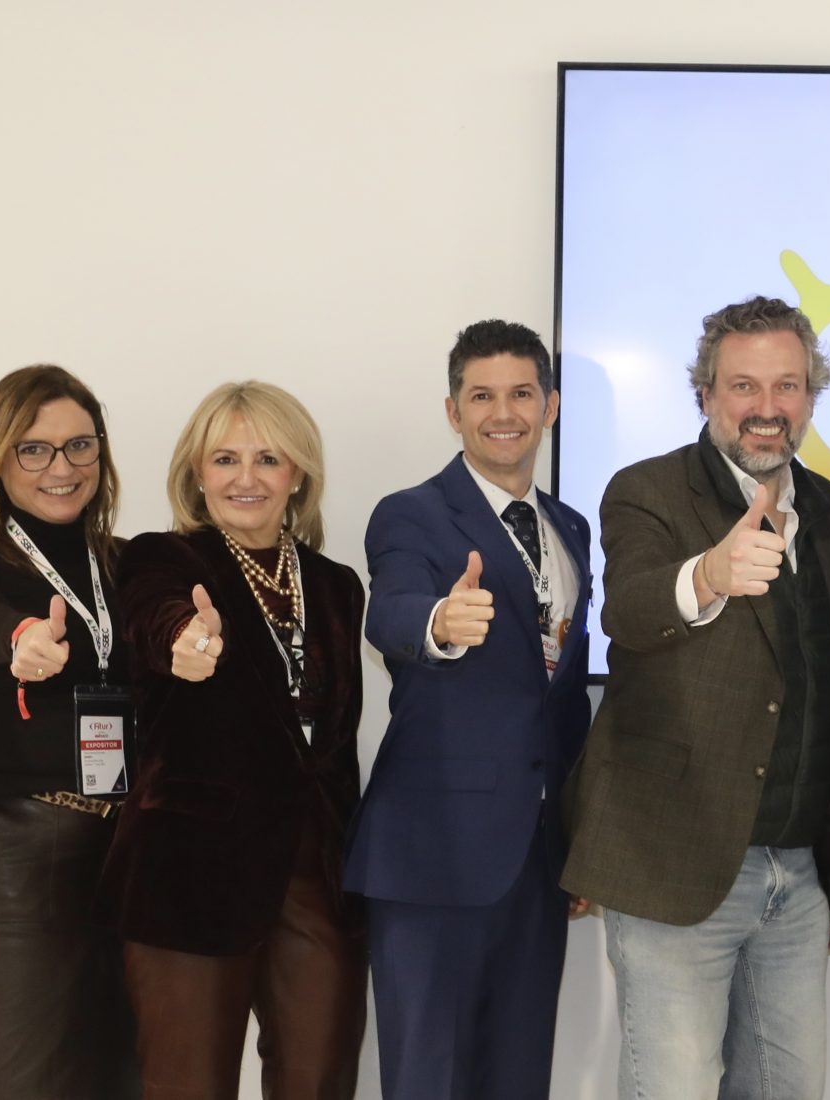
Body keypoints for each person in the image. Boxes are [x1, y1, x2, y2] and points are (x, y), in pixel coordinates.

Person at [559, 295, 830, 1100]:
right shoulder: (648, 490)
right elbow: (629, 611)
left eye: (787, 386)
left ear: (810, 396)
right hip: (671, 863)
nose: (767, 408)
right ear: (705, 394)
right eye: (743, 386)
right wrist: (707, 574)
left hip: (798, 873)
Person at [101, 381, 366, 1099]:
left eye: (267, 459)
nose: (246, 478)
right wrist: (184, 643)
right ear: (197, 473)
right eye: (225, 459)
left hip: (316, 877)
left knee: (321, 1081)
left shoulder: (336, 586)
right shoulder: (161, 560)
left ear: (297, 474)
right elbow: (157, 619)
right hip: (190, 878)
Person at [349, 320, 593, 1099]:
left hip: (538, 860)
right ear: (453, 412)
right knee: (430, 1080)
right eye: (481, 396)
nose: (503, 413)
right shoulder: (411, 514)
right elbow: (391, 610)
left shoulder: (571, 528)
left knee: (519, 1078)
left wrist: (580, 837)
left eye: (521, 393)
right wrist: (439, 624)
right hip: (434, 856)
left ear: (550, 406)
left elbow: (562, 702)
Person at [0, 364, 139, 1099]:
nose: (62, 467)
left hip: (124, 849)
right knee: (2, 1079)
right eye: (34, 449)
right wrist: (20, 638)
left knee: (115, 1074)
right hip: (11, 848)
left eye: (80, 445)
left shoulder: (123, 564)